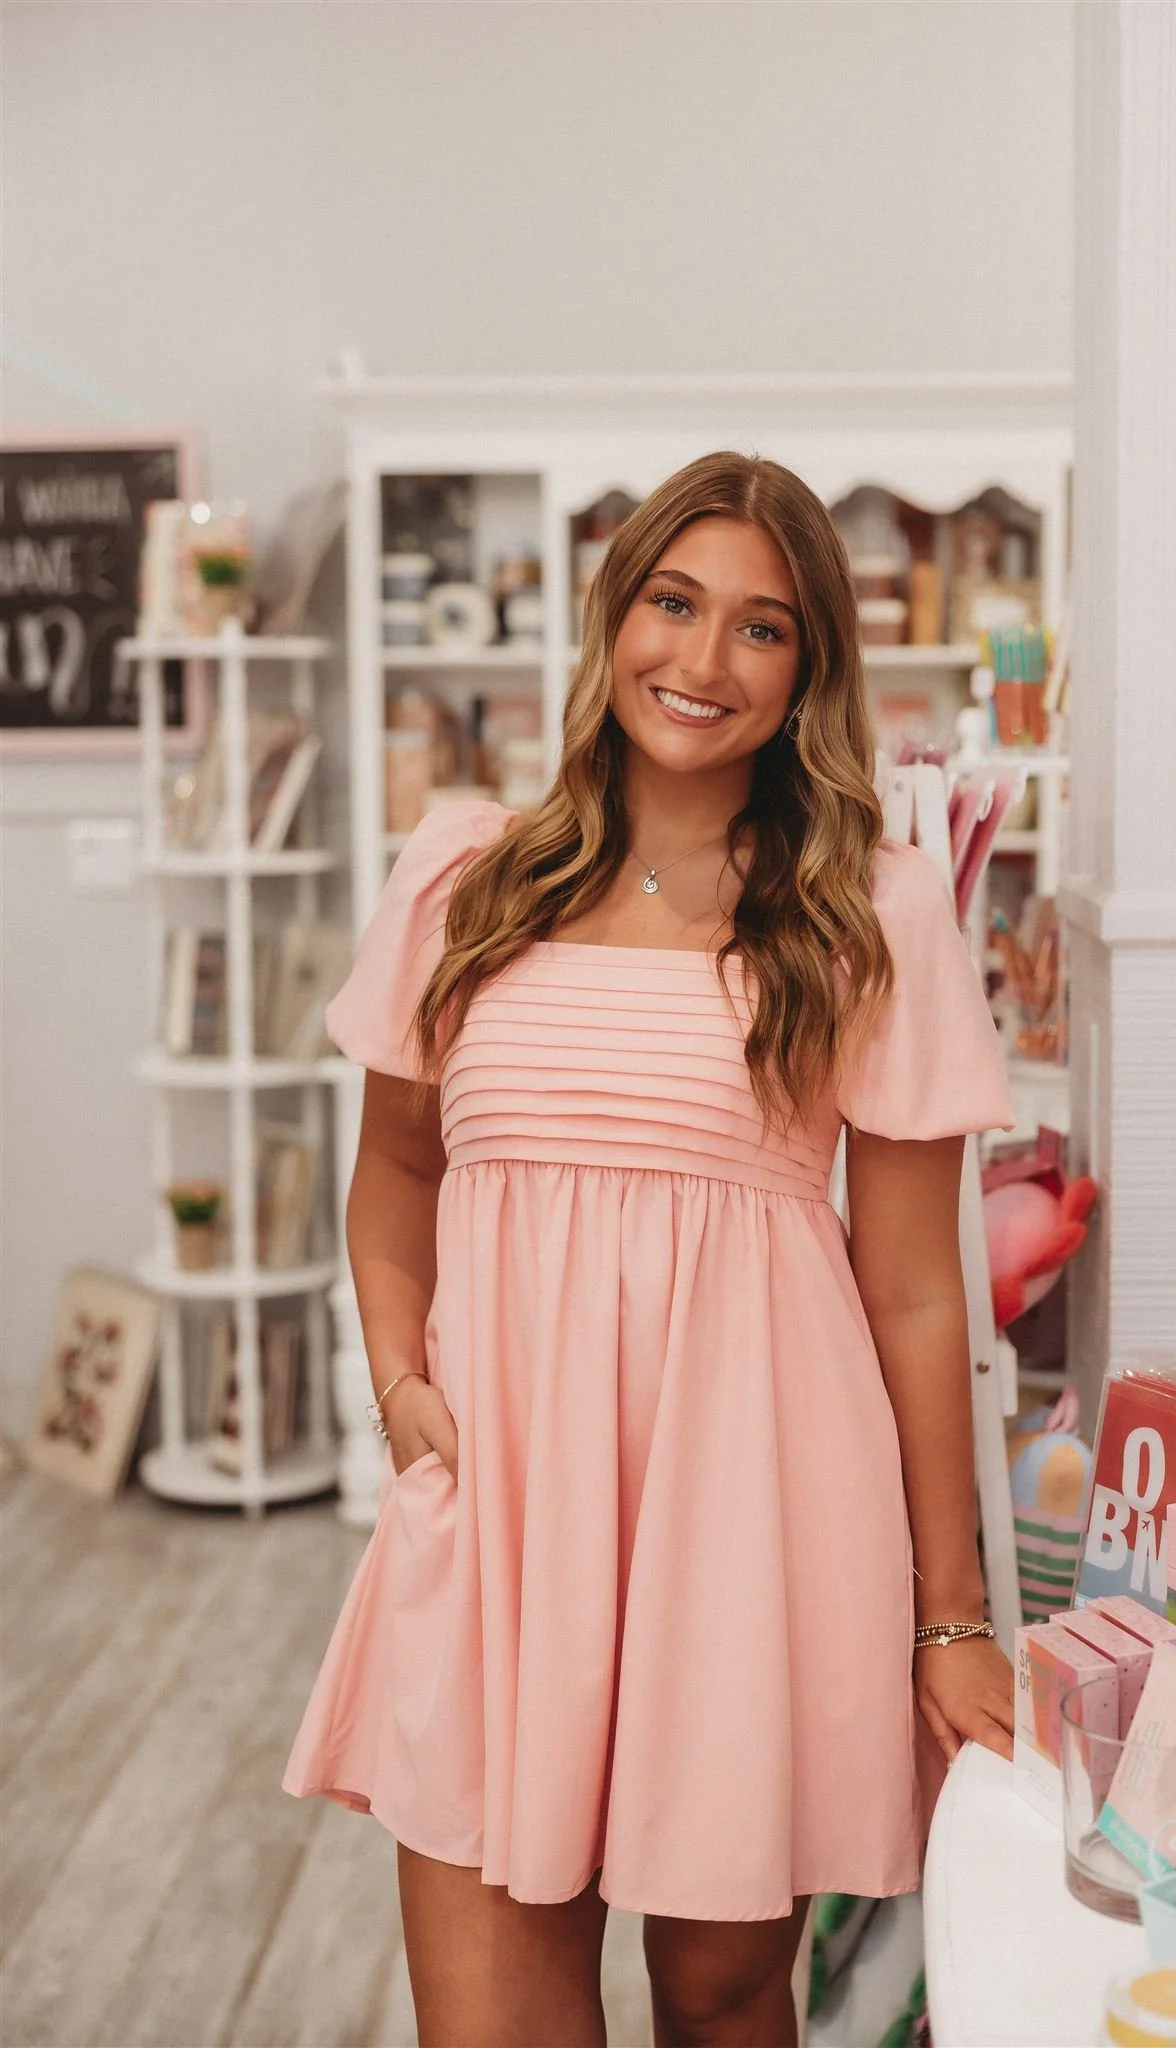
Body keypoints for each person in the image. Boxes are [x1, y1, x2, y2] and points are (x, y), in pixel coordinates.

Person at [284, 450, 1018, 2048]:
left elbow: (909, 1289)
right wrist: (402, 1390)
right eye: (673, 604)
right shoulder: (464, 878)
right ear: (614, 617)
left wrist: (952, 1622)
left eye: (760, 629)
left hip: (751, 1507)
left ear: (811, 668)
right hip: (506, 1512)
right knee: (492, 2011)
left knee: (721, 1987)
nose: (700, 662)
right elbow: (392, 1180)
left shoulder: (867, 907)